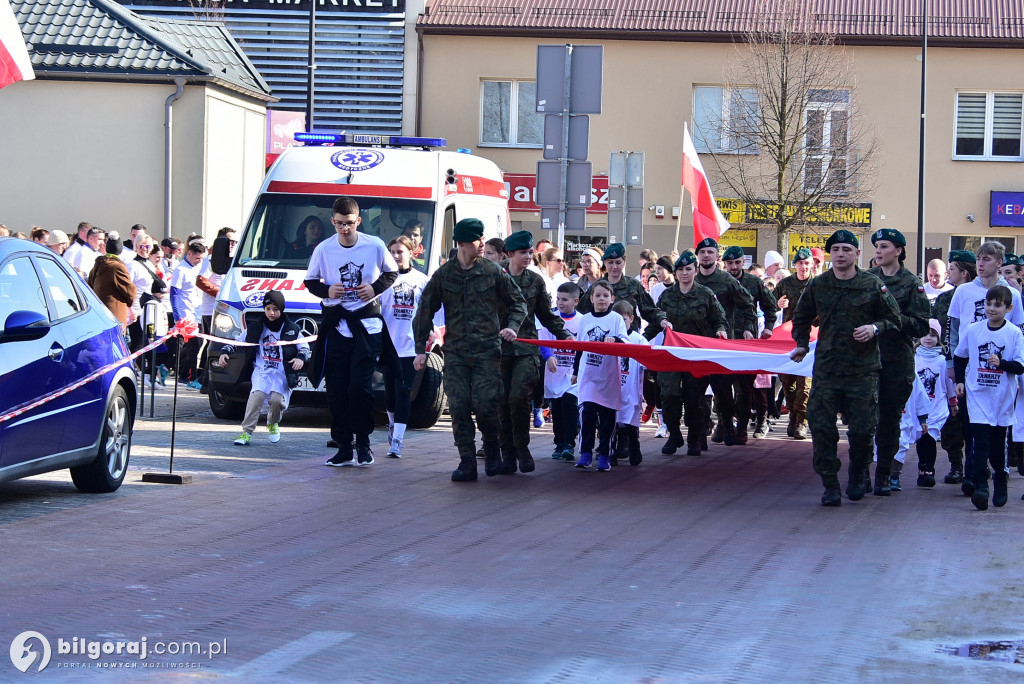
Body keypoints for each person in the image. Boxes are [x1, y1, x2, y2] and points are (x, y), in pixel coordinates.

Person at [790, 229, 901, 507]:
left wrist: (874, 328)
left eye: (846, 249)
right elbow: (800, 317)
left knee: (863, 430)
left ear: (857, 254)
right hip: (827, 370)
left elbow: (894, 318)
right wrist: (802, 344)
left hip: (862, 371)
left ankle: (858, 471)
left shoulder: (872, 284)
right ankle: (829, 484)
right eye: (836, 249)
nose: (840, 254)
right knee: (822, 427)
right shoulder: (818, 285)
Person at [412, 218, 527, 482]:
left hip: (487, 351)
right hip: (456, 353)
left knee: (486, 404)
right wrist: (421, 349)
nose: (482, 244)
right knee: (459, 405)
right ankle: (466, 461)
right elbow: (425, 311)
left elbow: (517, 303)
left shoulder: (493, 271)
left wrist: (511, 326)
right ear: (462, 242)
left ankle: (492, 445)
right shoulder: (443, 275)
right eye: (477, 239)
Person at [304, 196, 399, 468]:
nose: (344, 229)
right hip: (336, 325)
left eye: (349, 223)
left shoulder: (374, 245)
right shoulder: (324, 249)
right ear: (332, 222)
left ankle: (364, 443)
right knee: (336, 390)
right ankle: (344, 446)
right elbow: (311, 281)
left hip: (366, 326)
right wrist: (326, 290)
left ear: (358, 221)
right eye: (339, 224)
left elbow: (392, 274)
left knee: (359, 388)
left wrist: (374, 288)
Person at [946, 240, 1023, 497]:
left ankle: (999, 475)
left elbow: (1019, 331)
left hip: (1003, 374)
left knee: (997, 430)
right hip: (971, 369)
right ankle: (973, 476)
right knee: (972, 426)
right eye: (979, 258)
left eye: (987, 259)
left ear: (1000, 263)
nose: (981, 263)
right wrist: (952, 366)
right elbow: (954, 330)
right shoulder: (964, 291)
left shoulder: (1012, 294)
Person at [497, 231, 570, 474]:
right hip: (497, 350)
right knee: (501, 402)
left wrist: (563, 334)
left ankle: (522, 447)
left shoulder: (535, 281)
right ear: (509, 254)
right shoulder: (494, 277)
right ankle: (507, 453)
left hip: (526, 347)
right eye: (523, 253)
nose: (528, 257)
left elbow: (546, 315)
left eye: (530, 252)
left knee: (519, 398)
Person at [867, 228, 932, 496]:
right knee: (864, 419)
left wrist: (893, 320)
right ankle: (860, 473)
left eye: (884, 246)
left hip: (896, 362)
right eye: (877, 247)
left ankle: (884, 474)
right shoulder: (867, 279)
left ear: (899, 250)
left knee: (890, 421)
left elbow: (921, 326)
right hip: (868, 360)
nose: (878, 251)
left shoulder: (911, 284)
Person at [657, 252, 728, 456]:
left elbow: (719, 318)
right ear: (676, 272)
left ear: (696, 271)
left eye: (688, 269)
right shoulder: (667, 295)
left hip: (696, 354)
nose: (684, 273)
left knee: (694, 398)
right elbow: (656, 319)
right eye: (680, 269)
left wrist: (720, 330)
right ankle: (673, 434)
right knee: (669, 394)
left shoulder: (705, 294)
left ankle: (694, 438)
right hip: (672, 353)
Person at [219, 290, 310, 446]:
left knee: (276, 401)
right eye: (268, 309)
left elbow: (304, 347)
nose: (271, 313)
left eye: (275, 309)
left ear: (281, 309)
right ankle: (246, 432)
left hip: (282, 372)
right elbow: (239, 342)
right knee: (256, 398)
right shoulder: (255, 328)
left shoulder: (292, 329)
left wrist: (300, 358)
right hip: (262, 371)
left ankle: (273, 423)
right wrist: (224, 352)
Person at [694, 237, 757, 446]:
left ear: (716, 257)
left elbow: (748, 304)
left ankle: (728, 424)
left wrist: (748, 328)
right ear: (698, 256)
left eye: (710, 252)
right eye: (702, 252)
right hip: (696, 345)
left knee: (723, 391)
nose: (706, 256)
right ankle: (700, 431)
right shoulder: (691, 279)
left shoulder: (727, 281)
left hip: (721, 343)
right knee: (694, 392)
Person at [379, 235, 432, 459]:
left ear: (411, 253)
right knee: (389, 394)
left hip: (410, 346)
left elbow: (432, 311)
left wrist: (428, 334)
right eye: (392, 252)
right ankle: (392, 425)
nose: (396, 256)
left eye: (400, 251)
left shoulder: (422, 280)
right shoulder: (382, 280)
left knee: (403, 392)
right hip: (387, 345)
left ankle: (398, 440)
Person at [723, 245, 779, 442]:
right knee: (722, 388)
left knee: (744, 388)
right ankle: (725, 424)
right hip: (722, 342)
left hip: (747, 342)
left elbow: (770, 306)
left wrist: (768, 327)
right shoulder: (719, 281)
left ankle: (742, 429)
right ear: (724, 264)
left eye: (737, 262)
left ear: (743, 263)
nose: (734, 267)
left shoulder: (754, 282)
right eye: (730, 263)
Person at [572, 280, 629, 471]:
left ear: (612, 299)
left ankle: (605, 454)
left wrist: (616, 340)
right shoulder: (585, 319)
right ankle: (585, 453)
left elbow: (626, 342)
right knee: (587, 413)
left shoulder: (615, 319)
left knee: (607, 418)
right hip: (588, 375)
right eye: (598, 295)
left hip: (609, 377)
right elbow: (579, 347)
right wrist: (574, 372)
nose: (602, 299)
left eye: (606, 296)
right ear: (591, 298)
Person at [933, 250, 974, 484]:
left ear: (964, 273)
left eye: (953, 269)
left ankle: (974, 464)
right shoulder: (944, 299)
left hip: (975, 366)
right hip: (949, 365)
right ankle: (956, 464)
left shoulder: (982, 297)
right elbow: (940, 332)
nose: (949, 272)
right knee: (952, 417)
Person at [578, 243, 670, 337]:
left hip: (628, 340)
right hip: (603, 341)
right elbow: (580, 314)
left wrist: (662, 320)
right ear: (604, 263)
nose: (614, 267)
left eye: (618, 262)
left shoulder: (633, 285)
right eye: (610, 262)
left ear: (624, 262)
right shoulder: (596, 287)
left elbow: (649, 310)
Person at [910, 319, 957, 489]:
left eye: (932, 335)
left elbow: (948, 383)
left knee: (929, 437)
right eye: (925, 334)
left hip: (937, 407)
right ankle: (922, 469)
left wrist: (953, 402)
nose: (928, 338)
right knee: (921, 438)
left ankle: (928, 469)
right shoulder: (913, 358)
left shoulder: (942, 361)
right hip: (918, 408)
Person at [775, 248, 816, 439]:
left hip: (810, 337)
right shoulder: (785, 283)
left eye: (807, 263)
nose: (803, 267)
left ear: (812, 264)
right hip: (787, 338)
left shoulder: (818, 284)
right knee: (787, 382)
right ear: (795, 265)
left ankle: (801, 421)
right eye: (800, 263)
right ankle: (792, 414)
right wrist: (778, 305)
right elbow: (770, 302)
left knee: (805, 382)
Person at [539, 281, 582, 462]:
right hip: (554, 372)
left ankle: (569, 444)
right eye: (557, 299)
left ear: (575, 301)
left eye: (564, 299)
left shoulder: (582, 320)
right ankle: (559, 442)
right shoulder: (551, 318)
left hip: (572, 373)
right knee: (557, 409)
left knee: (569, 405)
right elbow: (543, 340)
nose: (560, 303)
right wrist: (549, 356)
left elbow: (584, 346)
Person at [612, 300, 648, 466]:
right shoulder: (609, 339)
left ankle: (634, 446)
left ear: (631, 319)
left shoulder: (638, 340)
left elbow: (648, 361)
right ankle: (610, 451)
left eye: (623, 320)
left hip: (631, 390)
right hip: (612, 390)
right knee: (611, 423)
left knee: (631, 423)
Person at [170, 239, 209, 389]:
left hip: (198, 311)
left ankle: (187, 374)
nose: (199, 261)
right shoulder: (181, 270)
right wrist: (178, 316)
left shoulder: (199, 268)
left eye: (201, 258)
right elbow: (174, 294)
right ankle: (188, 376)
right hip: (186, 314)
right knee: (193, 346)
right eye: (197, 258)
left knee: (198, 345)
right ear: (189, 254)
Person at [87, 236, 137, 333]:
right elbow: (130, 291)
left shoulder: (99, 264)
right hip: (114, 313)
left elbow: (90, 285)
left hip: (101, 312)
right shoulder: (117, 267)